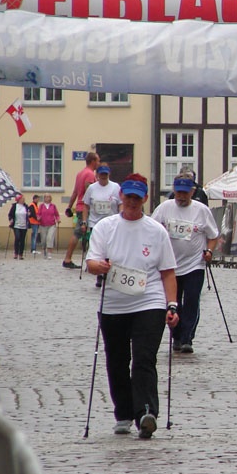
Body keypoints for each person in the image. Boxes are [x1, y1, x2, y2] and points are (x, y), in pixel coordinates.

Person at [85, 173, 179, 439]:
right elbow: (91, 263)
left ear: (145, 200)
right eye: (128, 197)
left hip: (149, 301)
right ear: (121, 198)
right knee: (117, 361)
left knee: (144, 359)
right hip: (114, 305)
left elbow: (168, 272)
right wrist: (99, 266)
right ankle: (124, 413)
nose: (132, 202)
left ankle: (146, 413)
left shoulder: (156, 231)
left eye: (138, 198)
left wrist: (172, 305)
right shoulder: (106, 227)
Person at [151, 172, 219, 354]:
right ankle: (176, 336)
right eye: (178, 192)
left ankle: (187, 337)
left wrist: (209, 251)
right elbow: (151, 230)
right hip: (170, 266)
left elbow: (213, 235)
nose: (181, 196)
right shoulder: (164, 208)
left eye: (185, 193)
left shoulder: (201, 210)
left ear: (193, 191)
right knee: (174, 302)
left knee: (191, 300)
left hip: (194, 265)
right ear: (174, 190)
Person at [83, 165, 122, 287]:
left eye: (105, 175)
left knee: (111, 249)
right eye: (101, 175)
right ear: (97, 175)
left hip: (112, 224)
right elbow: (85, 205)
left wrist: (121, 217)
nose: (103, 177)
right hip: (96, 223)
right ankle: (99, 275)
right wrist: (84, 221)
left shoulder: (115, 187)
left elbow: (121, 203)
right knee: (99, 249)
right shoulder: (92, 188)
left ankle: (111, 271)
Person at [62, 152, 100, 269]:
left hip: (79, 206)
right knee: (80, 233)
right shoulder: (89, 174)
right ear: (93, 161)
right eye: (98, 161)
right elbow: (91, 192)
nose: (98, 163)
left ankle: (69, 258)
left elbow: (75, 192)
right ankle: (68, 259)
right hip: (85, 208)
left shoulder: (80, 173)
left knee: (79, 233)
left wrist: (69, 206)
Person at [38, 194, 60, 259]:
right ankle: (44, 251)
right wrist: (38, 217)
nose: (47, 198)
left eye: (49, 197)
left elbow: (57, 214)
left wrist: (58, 219)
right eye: (46, 197)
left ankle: (49, 253)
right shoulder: (41, 206)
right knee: (44, 239)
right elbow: (38, 214)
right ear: (44, 198)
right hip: (43, 225)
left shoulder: (53, 206)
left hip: (52, 224)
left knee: (50, 238)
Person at [8, 193, 29, 260]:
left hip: (24, 225)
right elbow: (10, 214)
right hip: (16, 225)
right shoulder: (14, 206)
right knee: (17, 238)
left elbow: (29, 214)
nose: (23, 200)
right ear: (18, 200)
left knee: (22, 240)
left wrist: (29, 214)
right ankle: (16, 253)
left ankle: (21, 254)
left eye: (24, 199)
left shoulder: (26, 206)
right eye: (22, 199)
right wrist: (11, 219)